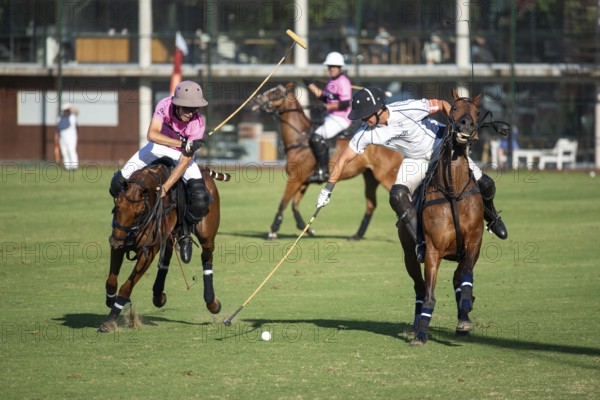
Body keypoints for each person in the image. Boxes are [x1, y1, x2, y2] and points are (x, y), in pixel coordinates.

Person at [316, 87, 508, 261]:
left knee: (486, 184)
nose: (363, 120)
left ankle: (492, 218)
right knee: (397, 195)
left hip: (441, 148)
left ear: (378, 109)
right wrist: (328, 189)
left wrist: (458, 126)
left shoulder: (407, 108)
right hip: (415, 160)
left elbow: (441, 104)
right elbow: (343, 160)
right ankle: (422, 243)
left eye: (365, 116)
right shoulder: (365, 132)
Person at [109, 80, 209, 263]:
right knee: (116, 183)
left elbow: (185, 160)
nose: (190, 113)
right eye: (186, 108)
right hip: (157, 147)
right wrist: (182, 142)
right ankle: (122, 226)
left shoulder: (198, 122)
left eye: (194, 108)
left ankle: (184, 233)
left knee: (201, 198)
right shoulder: (164, 105)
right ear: (177, 104)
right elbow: (152, 134)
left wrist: (166, 186)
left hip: (182, 156)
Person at [303, 51, 353, 183]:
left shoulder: (344, 82)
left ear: (339, 67)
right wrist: (310, 85)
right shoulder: (331, 81)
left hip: (342, 118)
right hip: (331, 117)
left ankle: (323, 172)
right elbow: (325, 97)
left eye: (333, 67)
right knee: (308, 134)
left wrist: (326, 107)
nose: (331, 69)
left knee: (317, 137)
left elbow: (345, 103)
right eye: (329, 67)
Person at [56, 103, 79, 170]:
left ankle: (74, 166)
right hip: (62, 137)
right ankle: (67, 167)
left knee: (71, 150)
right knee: (64, 152)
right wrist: (57, 136)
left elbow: (77, 112)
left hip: (71, 137)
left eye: (67, 110)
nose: (66, 111)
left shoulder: (72, 117)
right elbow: (58, 128)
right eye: (65, 110)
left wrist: (72, 107)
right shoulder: (60, 117)